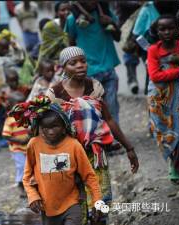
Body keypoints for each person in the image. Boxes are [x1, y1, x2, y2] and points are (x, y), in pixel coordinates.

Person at [46, 47, 139, 225]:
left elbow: (109, 120)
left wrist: (129, 148)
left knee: (101, 202)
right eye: (73, 63)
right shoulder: (54, 94)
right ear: (63, 67)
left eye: (83, 61)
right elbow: (47, 130)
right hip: (68, 158)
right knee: (74, 203)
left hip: (95, 155)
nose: (80, 66)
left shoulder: (94, 87)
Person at [8, 95, 103, 225]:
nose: (51, 132)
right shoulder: (34, 144)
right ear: (39, 128)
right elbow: (27, 177)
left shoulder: (74, 146)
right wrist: (33, 196)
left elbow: (89, 176)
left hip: (72, 204)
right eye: (45, 128)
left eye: (55, 127)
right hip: (47, 208)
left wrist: (97, 200)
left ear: (64, 127)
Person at [65, 1, 122, 123]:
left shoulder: (105, 12)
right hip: (88, 73)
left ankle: (114, 139)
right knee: (92, 111)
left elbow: (118, 37)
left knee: (111, 108)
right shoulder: (72, 20)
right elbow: (71, 47)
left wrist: (111, 23)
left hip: (108, 69)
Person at [147, 15, 179, 184]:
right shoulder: (153, 50)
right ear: (157, 32)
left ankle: (177, 166)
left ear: (177, 30)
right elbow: (155, 76)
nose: (167, 32)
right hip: (161, 98)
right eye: (162, 29)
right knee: (166, 130)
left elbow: (162, 74)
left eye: (170, 28)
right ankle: (173, 163)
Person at [2, 91, 30, 198]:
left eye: (23, 104)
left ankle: (29, 186)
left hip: (28, 147)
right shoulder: (9, 120)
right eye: (18, 105)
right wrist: (20, 141)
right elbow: (6, 135)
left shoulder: (27, 117)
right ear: (11, 105)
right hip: (17, 148)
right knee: (22, 167)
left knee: (30, 167)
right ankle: (20, 185)